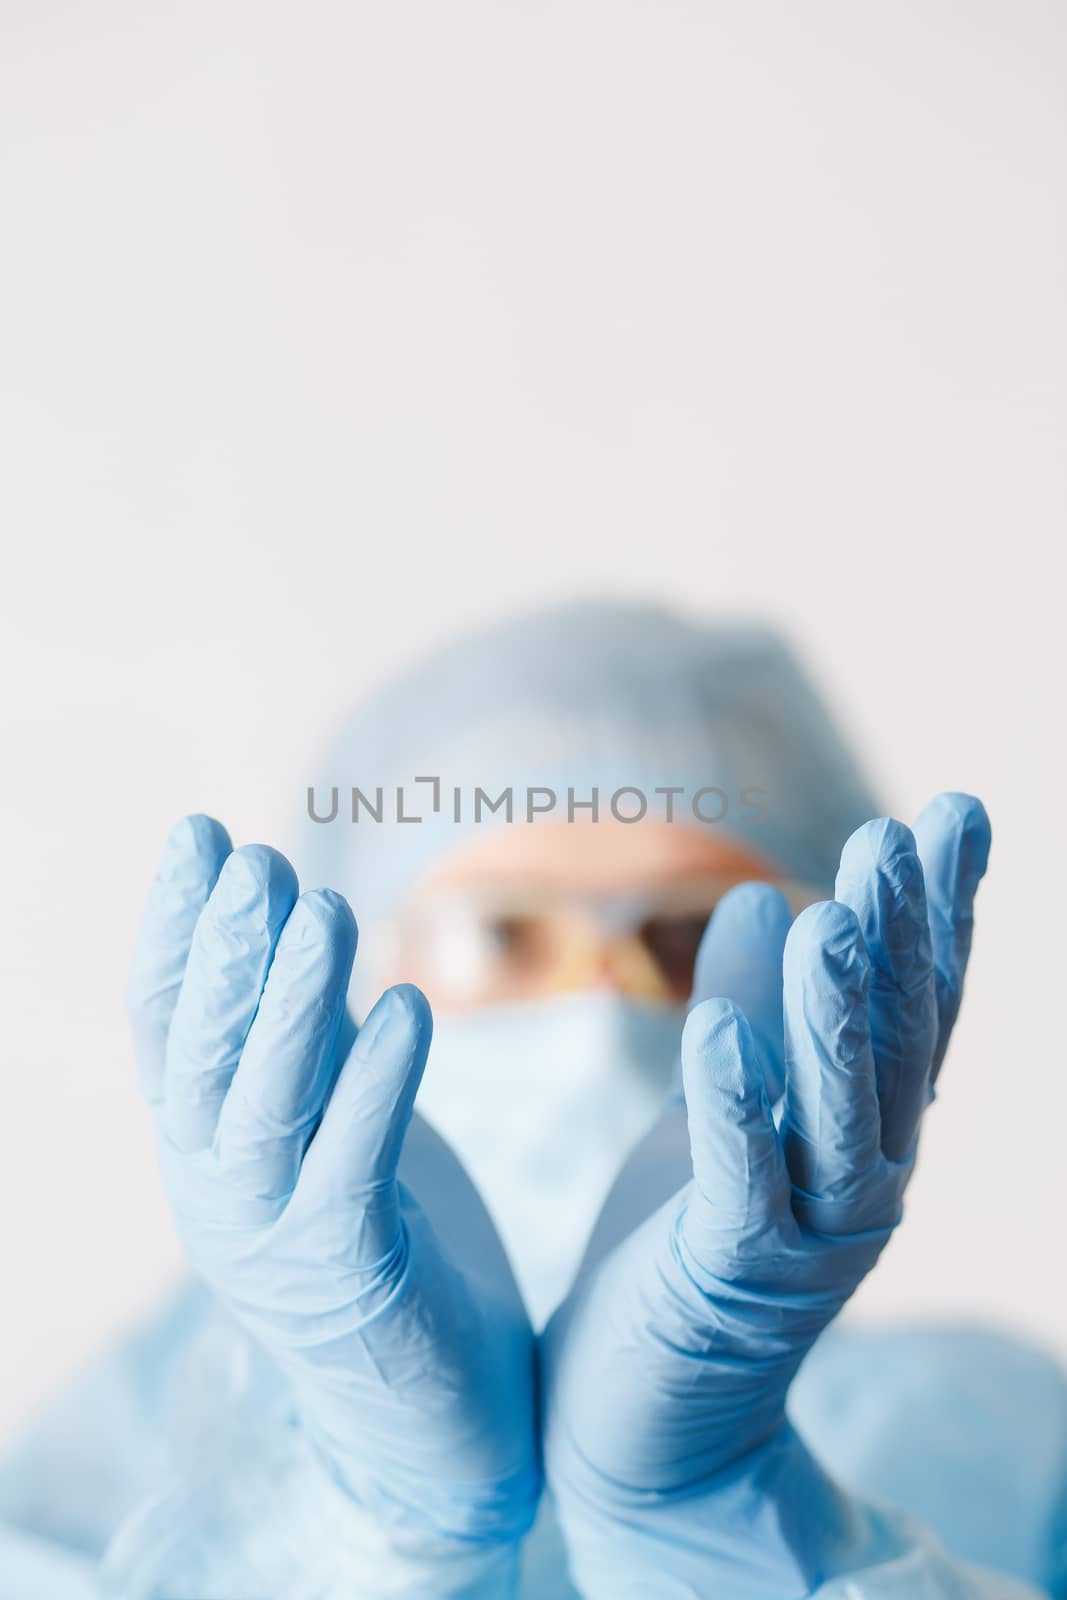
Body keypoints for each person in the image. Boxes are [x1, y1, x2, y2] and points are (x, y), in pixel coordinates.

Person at [2, 603, 1065, 1599]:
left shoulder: (1009, 1436)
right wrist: (366, 1520)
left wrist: (725, 1520)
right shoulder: (123, 1442)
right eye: (502, 935)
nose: (594, 1013)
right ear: (342, 984)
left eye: (686, 936)